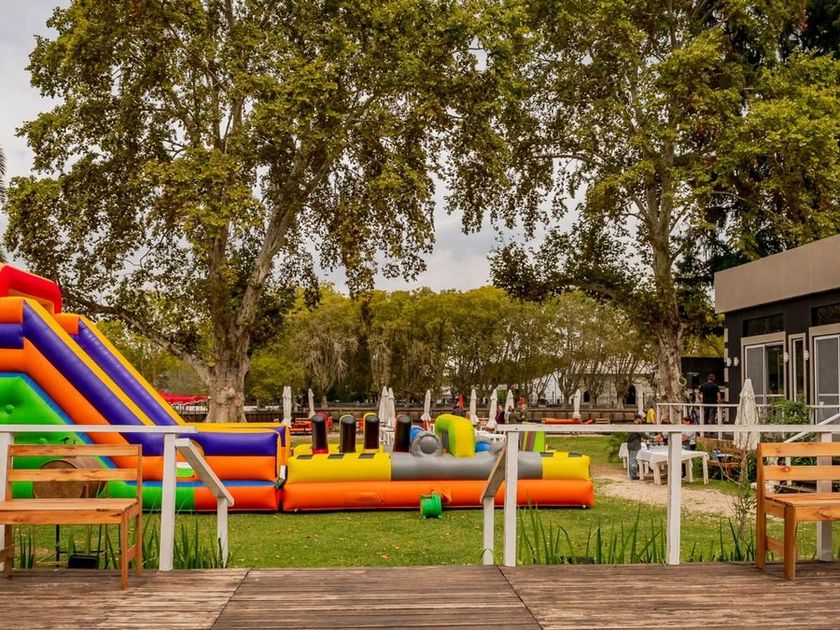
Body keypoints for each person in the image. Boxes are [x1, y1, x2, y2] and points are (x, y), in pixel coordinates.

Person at [627, 413, 646, 480]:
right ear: (638, 419)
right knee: (633, 460)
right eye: (641, 420)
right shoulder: (636, 426)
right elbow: (643, 434)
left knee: (632, 459)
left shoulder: (631, 426)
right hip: (634, 445)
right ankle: (633, 475)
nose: (641, 421)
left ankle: (633, 474)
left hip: (632, 444)